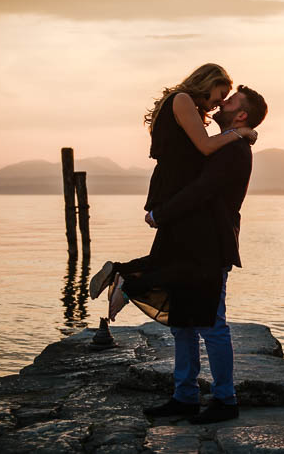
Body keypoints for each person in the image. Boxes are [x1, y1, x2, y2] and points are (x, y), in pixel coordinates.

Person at [88, 64, 255, 335]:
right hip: (174, 188)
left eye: (227, 98)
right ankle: (126, 283)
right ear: (208, 82)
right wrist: (241, 132)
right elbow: (205, 147)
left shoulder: (187, 105)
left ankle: (120, 274)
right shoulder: (182, 100)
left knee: (169, 259)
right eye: (221, 93)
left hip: (174, 188)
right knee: (181, 265)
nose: (220, 101)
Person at [138, 85, 267, 424]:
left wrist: (160, 215)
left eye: (231, 101)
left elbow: (200, 191)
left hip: (211, 245)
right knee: (182, 324)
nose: (221, 103)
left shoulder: (234, 149)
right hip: (188, 244)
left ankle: (225, 399)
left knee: (211, 324)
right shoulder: (217, 145)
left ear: (240, 115)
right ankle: (185, 396)